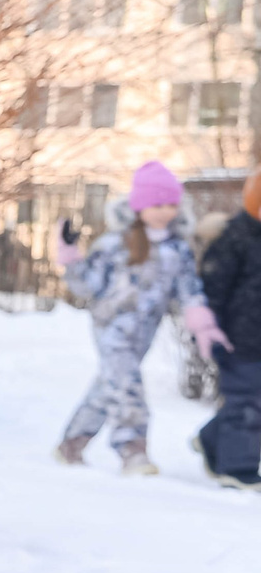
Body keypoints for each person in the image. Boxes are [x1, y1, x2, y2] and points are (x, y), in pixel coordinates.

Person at [52, 162, 228, 475]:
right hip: (111, 327)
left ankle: (72, 444)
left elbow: (188, 289)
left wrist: (200, 320)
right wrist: (69, 256)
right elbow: (86, 285)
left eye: (171, 204)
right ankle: (132, 450)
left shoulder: (178, 249)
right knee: (128, 386)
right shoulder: (113, 244)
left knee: (110, 386)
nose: (165, 211)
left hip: (145, 331)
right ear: (139, 205)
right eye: (158, 204)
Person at [194, 170, 261, 489]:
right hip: (237, 339)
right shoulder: (234, 238)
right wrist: (210, 329)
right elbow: (213, 289)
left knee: (249, 402)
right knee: (245, 401)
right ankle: (237, 468)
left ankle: (210, 438)